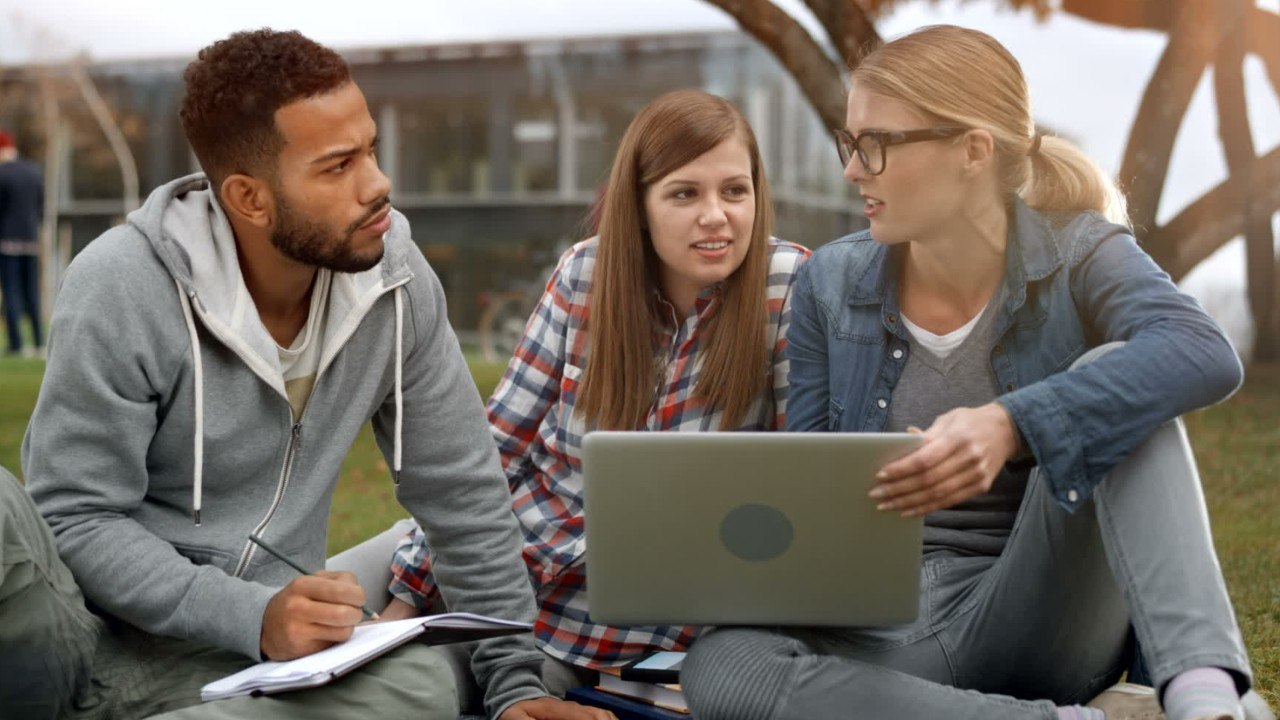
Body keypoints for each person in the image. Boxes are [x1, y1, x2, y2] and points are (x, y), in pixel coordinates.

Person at [6, 29, 609, 720]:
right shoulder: (124, 285)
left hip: (249, 662)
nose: (378, 183)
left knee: (426, 684)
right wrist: (252, 613)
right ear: (250, 199)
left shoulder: (395, 281)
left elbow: (465, 499)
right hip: (87, 634)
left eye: (372, 149)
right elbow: (76, 517)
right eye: (338, 166)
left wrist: (515, 685)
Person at [679, 25, 1273, 720]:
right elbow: (814, 487)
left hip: (1038, 616)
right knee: (719, 666)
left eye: (876, 144)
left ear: (972, 150)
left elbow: (1200, 350)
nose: (853, 170)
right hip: (885, 632)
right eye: (850, 142)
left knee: (1125, 377)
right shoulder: (829, 282)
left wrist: (1010, 424)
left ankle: (1206, 703)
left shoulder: (1080, 253)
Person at [379, 89, 811, 709]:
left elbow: (804, 485)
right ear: (639, 206)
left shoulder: (790, 287)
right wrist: (406, 597)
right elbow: (493, 452)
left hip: (663, 637)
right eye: (685, 193)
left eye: (734, 191)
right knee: (379, 673)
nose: (716, 215)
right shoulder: (585, 273)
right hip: (519, 601)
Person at [0, 129, 45, 357]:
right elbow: (40, 205)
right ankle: (39, 341)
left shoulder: (2, 174)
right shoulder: (33, 171)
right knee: (32, 292)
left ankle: (17, 344)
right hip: (31, 238)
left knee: (11, 293)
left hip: (7, 241)